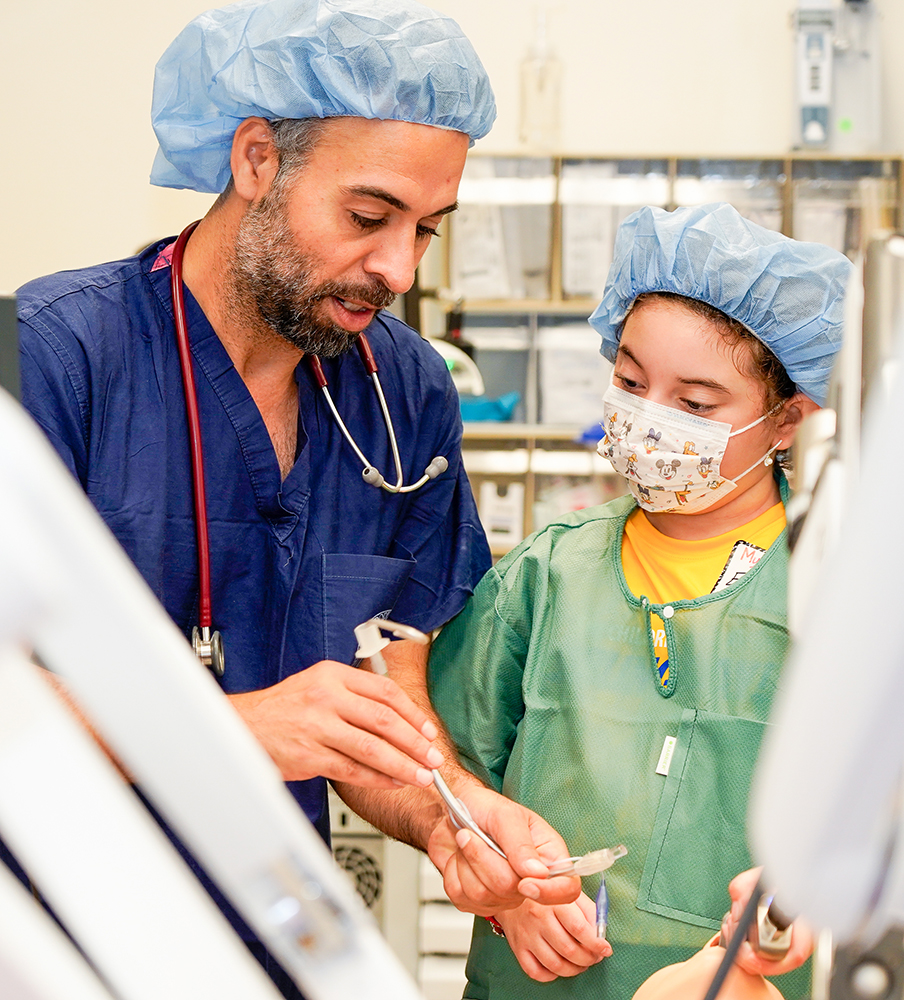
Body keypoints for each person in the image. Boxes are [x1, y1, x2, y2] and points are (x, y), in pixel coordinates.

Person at [14, 2, 578, 995]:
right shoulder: (51, 356)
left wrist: (455, 815)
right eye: (367, 218)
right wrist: (231, 727)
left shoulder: (404, 394)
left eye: (425, 230)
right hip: (56, 950)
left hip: (276, 950)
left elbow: (384, 704)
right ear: (257, 160)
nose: (398, 268)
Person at [427, 202, 854, 1000]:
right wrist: (502, 895)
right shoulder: (548, 573)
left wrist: (810, 903)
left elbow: (890, 807)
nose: (650, 420)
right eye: (630, 382)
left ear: (788, 421)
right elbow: (446, 780)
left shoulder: (831, 589)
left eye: (695, 405)